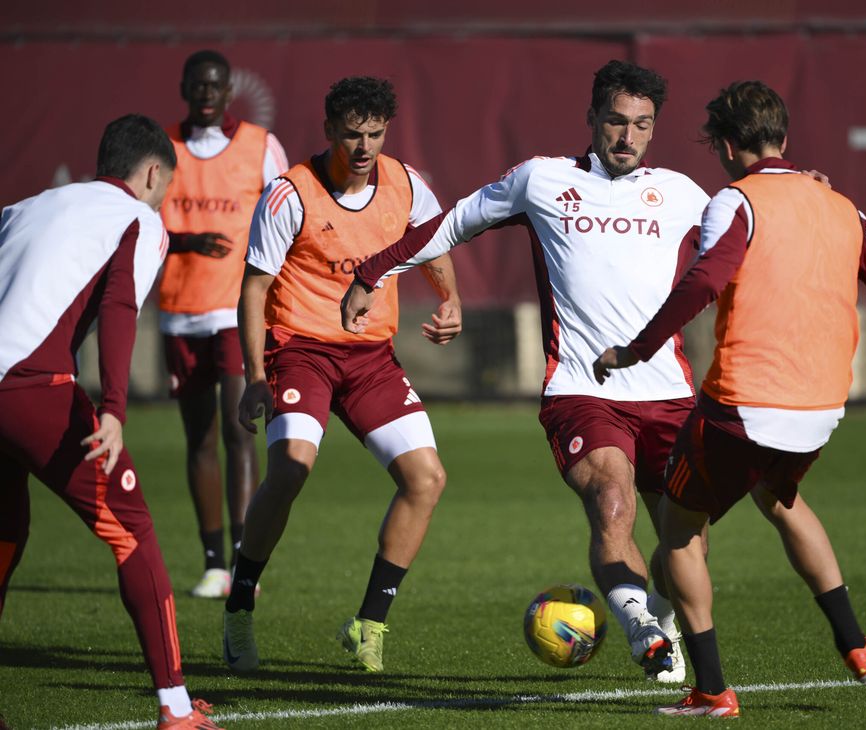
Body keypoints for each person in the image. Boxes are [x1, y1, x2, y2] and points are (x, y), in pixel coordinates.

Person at [342, 60, 713, 682]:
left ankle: (656, 612)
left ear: (654, 130)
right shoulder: (541, 180)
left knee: (688, 547)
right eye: (616, 122)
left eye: (642, 126)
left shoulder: (682, 193)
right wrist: (371, 271)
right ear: (592, 118)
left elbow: (748, 239)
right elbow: (451, 224)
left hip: (670, 393)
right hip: (582, 389)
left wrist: (797, 190)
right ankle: (642, 630)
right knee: (612, 500)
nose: (628, 137)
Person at [592, 80, 866, 718]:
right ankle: (857, 644)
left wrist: (635, 351)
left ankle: (711, 691)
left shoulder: (736, 201)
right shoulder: (838, 206)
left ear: (727, 145)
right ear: (783, 137)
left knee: (676, 533)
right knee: (780, 499)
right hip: (821, 410)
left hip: (742, 406)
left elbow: (702, 282)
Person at [222, 76, 461, 675]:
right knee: (292, 467)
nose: (363, 147)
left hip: (370, 356)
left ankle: (368, 624)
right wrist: (255, 375)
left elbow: (433, 244)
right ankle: (239, 605)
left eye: (375, 135)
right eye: (352, 134)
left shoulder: (407, 184)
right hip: (300, 349)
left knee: (426, 478)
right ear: (329, 130)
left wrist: (449, 299)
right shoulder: (290, 194)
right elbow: (255, 290)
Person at [0, 115, 222, 729]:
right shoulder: (139, 219)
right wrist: (115, 409)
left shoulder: (29, 205)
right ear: (153, 172)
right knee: (134, 534)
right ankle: (176, 708)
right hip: (30, 387)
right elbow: (122, 307)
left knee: (7, 525)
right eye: (167, 187)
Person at [158, 50, 289, 599]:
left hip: (237, 312)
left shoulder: (261, 145)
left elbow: (288, 216)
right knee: (199, 440)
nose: (207, 94)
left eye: (216, 85)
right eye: (198, 85)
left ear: (229, 89)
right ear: (186, 87)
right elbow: (138, 217)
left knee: (241, 434)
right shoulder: (161, 144)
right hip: (178, 311)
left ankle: (243, 564)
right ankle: (212, 562)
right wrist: (183, 241)